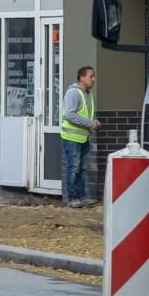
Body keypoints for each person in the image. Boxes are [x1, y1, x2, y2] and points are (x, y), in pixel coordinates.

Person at [60, 65, 100, 209]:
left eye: (94, 76)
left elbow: (86, 114)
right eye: (91, 76)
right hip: (72, 138)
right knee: (73, 169)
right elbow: (69, 114)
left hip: (84, 138)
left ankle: (81, 196)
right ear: (82, 78)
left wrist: (94, 122)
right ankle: (72, 198)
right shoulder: (73, 93)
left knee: (82, 169)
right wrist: (90, 123)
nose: (94, 79)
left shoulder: (88, 94)